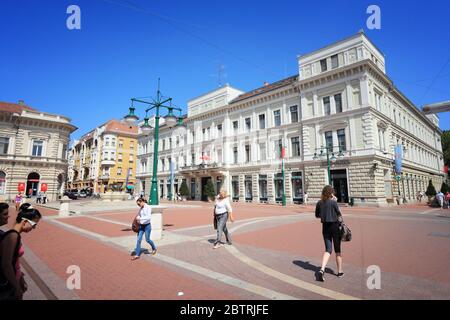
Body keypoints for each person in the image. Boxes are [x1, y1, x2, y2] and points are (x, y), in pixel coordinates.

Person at [0, 207, 41, 300]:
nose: (34, 228)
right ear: (25, 222)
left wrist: (20, 277)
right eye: (34, 225)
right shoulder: (13, 236)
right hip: (8, 285)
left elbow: (14, 261)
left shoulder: (14, 235)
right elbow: (6, 265)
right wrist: (16, 287)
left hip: (13, 280)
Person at [315, 185, 344, 282]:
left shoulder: (319, 203)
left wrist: (325, 214)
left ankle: (322, 269)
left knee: (328, 250)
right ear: (331, 193)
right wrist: (335, 203)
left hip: (325, 228)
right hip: (335, 227)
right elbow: (339, 215)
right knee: (337, 250)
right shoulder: (333, 202)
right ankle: (339, 271)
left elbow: (317, 215)